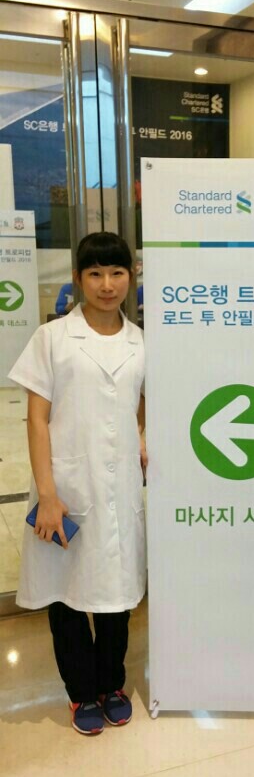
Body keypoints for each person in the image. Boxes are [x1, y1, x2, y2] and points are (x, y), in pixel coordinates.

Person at [9, 232, 146, 736]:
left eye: (117, 273)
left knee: (117, 592)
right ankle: (81, 691)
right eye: (95, 274)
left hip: (119, 487)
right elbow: (36, 419)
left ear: (131, 276)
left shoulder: (141, 341)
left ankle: (112, 684)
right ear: (78, 279)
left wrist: (143, 437)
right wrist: (47, 494)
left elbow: (142, 403)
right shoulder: (53, 339)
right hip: (65, 486)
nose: (107, 285)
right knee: (66, 594)